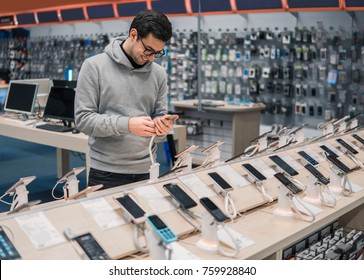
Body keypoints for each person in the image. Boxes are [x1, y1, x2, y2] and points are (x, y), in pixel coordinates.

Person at [75, 10, 174, 189]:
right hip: (106, 172)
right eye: (148, 49)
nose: (151, 57)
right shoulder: (94, 67)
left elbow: (159, 115)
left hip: (148, 168)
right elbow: (83, 120)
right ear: (133, 34)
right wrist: (127, 125)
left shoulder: (159, 74)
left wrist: (161, 128)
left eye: (157, 53)